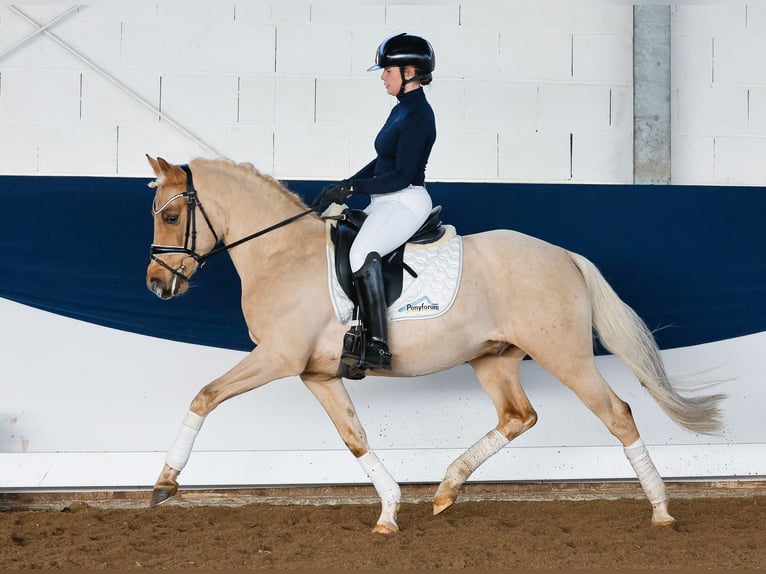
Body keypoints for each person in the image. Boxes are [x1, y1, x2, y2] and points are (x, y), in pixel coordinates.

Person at [315, 32, 437, 372]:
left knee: (359, 254)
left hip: (406, 200)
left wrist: (354, 191)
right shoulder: (401, 110)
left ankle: (376, 346)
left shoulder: (418, 115)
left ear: (409, 71)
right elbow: (382, 160)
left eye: (387, 71)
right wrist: (346, 184)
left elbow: (401, 175)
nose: (383, 77)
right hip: (386, 201)